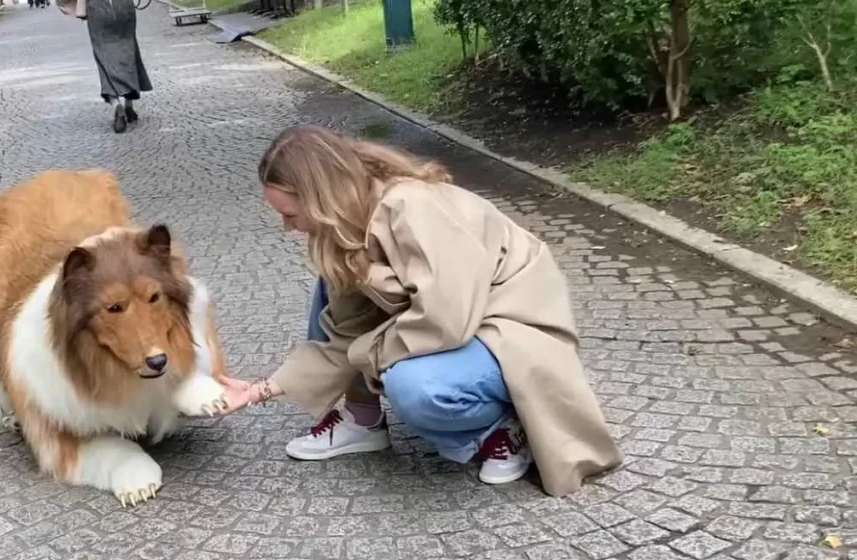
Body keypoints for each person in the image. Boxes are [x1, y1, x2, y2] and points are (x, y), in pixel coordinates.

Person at [217, 124, 622, 495]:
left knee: (414, 385)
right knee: (332, 284)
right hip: (461, 323)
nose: (288, 227)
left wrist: (368, 354)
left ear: (321, 199)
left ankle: (502, 429)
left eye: (290, 214)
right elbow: (343, 333)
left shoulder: (412, 207)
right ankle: (362, 421)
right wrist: (260, 390)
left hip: (512, 328)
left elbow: (445, 320)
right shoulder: (342, 230)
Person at [58, 0, 153, 133]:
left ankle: (116, 105)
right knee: (128, 50)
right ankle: (129, 105)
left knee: (104, 56)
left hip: (98, 9)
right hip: (123, 7)